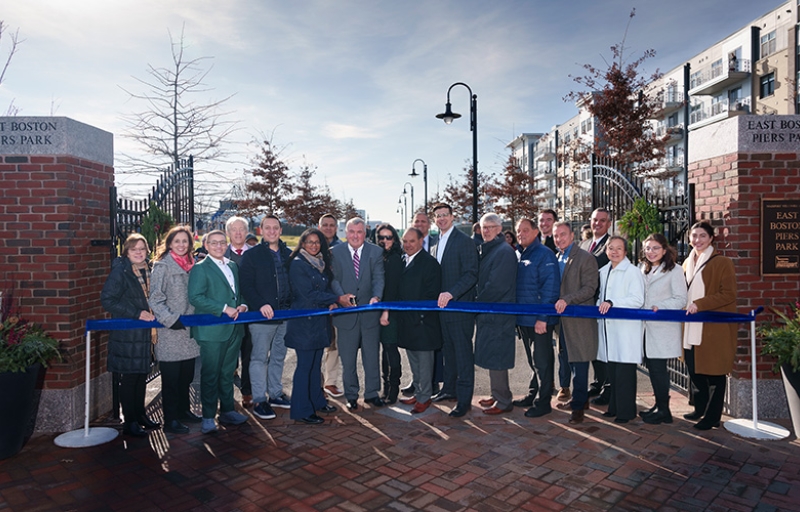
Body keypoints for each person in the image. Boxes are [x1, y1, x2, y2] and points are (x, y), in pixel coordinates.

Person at [188, 229, 249, 434]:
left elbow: (238, 294)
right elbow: (195, 297)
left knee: (227, 373)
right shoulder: (200, 268)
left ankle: (228, 410)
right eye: (213, 243)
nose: (218, 246)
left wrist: (242, 306)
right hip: (212, 331)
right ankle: (207, 416)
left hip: (234, 329)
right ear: (206, 245)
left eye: (222, 242)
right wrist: (224, 308)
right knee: (211, 374)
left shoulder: (232, 265)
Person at [101, 233, 159, 437]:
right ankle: (130, 422)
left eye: (142, 248)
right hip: (128, 333)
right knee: (130, 378)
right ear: (127, 251)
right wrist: (136, 313)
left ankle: (140, 415)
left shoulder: (150, 270)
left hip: (144, 334)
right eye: (134, 249)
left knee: (141, 375)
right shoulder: (121, 271)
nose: (138, 252)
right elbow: (108, 299)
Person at [683, 221, 737, 431]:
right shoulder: (687, 263)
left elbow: (728, 294)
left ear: (711, 238)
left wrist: (700, 304)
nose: (698, 240)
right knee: (695, 369)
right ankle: (700, 408)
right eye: (694, 236)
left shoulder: (722, 262)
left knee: (714, 373)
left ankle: (713, 417)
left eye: (702, 236)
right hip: (690, 326)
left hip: (712, 326)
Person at [149, 226, 202, 435]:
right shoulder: (162, 266)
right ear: (170, 243)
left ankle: (183, 411)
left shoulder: (194, 265)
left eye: (185, 241)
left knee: (186, 377)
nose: (181, 245)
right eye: (177, 241)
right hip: (170, 331)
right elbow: (155, 298)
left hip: (189, 332)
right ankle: (170, 419)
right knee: (171, 379)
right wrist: (171, 320)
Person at [284, 229, 340, 424]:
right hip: (303, 324)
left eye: (317, 242)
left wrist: (330, 302)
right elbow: (308, 294)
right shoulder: (298, 264)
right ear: (302, 243)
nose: (314, 245)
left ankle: (317, 401)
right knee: (305, 367)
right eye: (309, 242)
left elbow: (322, 290)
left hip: (318, 323)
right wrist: (336, 299)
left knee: (316, 366)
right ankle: (301, 409)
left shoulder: (320, 263)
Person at [239, 215, 293, 421]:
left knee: (279, 356)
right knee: (259, 358)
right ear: (261, 230)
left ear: (280, 230)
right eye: (267, 228)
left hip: (285, 316)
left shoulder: (289, 254)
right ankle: (260, 399)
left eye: (275, 228)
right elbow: (246, 285)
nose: (272, 231)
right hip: (262, 318)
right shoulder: (252, 256)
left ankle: (276, 394)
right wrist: (261, 304)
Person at [331, 217, 385, 410]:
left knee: (372, 357)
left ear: (365, 233)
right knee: (348, 359)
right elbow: (334, 279)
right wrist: (341, 297)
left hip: (370, 315)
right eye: (352, 232)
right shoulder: (334, 253)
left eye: (359, 232)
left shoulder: (376, 252)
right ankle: (351, 395)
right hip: (346, 315)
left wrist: (377, 297)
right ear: (346, 233)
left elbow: (379, 277)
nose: (355, 236)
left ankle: (372, 394)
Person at [430, 203, 479, 417]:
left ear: (452, 217)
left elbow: (471, 274)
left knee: (463, 355)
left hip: (459, 309)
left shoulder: (464, 242)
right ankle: (448, 389)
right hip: (441, 311)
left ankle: (464, 400)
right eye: (438, 216)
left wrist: (452, 293)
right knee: (448, 352)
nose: (441, 219)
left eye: (444, 215)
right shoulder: (435, 244)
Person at [513, 218, 560, 418]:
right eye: (518, 231)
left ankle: (544, 402)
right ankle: (533, 394)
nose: (521, 234)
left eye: (525, 230)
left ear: (535, 232)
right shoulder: (521, 254)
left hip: (539, 320)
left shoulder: (544, 254)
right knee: (534, 361)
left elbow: (550, 289)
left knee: (542, 361)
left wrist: (543, 317)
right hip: (524, 319)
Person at [639, 233, 688, 425]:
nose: (651, 252)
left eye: (655, 248)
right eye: (648, 248)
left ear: (665, 250)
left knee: (659, 369)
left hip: (662, 327)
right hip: (644, 328)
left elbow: (681, 299)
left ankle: (664, 411)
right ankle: (658, 405)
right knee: (652, 368)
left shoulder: (674, 270)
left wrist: (660, 305)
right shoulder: (642, 268)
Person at [553, 222, 599, 424]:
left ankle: (579, 407)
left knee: (580, 364)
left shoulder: (585, 258)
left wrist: (568, 299)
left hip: (578, 320)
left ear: (572, 235)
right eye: (556, 236)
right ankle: (577, 400)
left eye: (563, 234)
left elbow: (590, 288)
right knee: (568, 361)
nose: (559, 239)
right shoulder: (557, 257)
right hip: (562, 322)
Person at [596, 236, 645, 424]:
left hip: (625, 330)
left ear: (625, 251)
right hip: (609, 329)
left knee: (624, 373)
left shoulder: (633, 272)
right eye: (610, 248)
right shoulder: (603, 271)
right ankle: (614, 407)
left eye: (618, 248)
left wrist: (612, 303)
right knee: (613, 372)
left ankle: (626, 412)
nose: (614, 252)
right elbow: (600, 297)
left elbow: (637, 299)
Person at [474, 213, 518, 415]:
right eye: (484, 227)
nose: (487, 230)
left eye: (491, 227)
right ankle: (497, 394)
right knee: (492, 355)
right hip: (490, 312)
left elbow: (497, 286)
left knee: (498, 355)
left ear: (500, 229)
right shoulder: (492, 249)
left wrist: (477, 301)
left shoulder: (503, 252)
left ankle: (503, 401)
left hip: (498, 312)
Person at [395, 228, 442, 414]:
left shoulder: (430, 264)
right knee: (414, 361)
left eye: (411, 241)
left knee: (424, 363)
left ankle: (425, 398)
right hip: (407, 321)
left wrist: (419, 316)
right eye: (404, 241)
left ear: (421, 241)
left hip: (423, 323)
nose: (407, 245)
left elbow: (432, 294)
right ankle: (419, 391)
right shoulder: (403, 260)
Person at [580, 208, 612, 405]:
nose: (597, 224)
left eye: (602, 220)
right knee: (593, 345)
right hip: (586, 305)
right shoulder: (584, 244)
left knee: (604, 347)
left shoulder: (611, 245)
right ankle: (598, 381)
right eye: (594, 220)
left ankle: (608, 387)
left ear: (609, 224)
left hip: (602, 303)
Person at [224, 216, 254, 407]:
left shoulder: (257, 254)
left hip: (250, 313)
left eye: (241, 229)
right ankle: (226, 399)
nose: (238, 233)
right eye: (233, 230)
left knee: (249, 354)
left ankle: (247, 392)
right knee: (226, 358)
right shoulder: (220, 254)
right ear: (228, 233)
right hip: (226, 315)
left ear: (246, 232)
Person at [317, 213, 345, 399]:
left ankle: (330, 382)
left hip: (335, 304)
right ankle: (316, 383)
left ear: (336, 228)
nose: (328, 228)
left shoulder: (342, 248)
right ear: (319, 227)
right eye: (325, 224)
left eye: (331, 225)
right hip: (315, 304)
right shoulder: (311, 244)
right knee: (316, 345)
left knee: (334, 345)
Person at [376, 223, 403, 404]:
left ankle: (393, 390)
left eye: (389, 237)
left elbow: (392, 288)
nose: (385, 241)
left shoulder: (394, 259)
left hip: (390, 311)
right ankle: (386, 388)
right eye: (381, 237)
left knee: (390, 349)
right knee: (384, 351)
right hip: (377, 310)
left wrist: (386, 311)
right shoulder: (379, 257)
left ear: (394, 239)